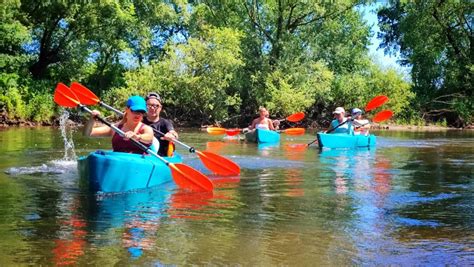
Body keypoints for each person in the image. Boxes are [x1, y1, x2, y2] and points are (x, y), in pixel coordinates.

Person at [84, 96, 154, 154]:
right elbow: (88, 133)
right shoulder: (116, 128)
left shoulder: (146, 129)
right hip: (118, 162)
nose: (138, 115)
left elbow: (149, 138)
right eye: (135, 111)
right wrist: (91, 119)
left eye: (141, 112)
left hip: (139, 164)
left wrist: (137, 137)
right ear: (127, 109)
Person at [142, 92, 179, 157]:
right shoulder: (140, 121)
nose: (152, 108)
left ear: (160, 108)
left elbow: (173, 133)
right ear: (145, 107)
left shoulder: (165, 123)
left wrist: (172, 136)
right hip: (143, 156)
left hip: (162, 157)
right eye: (149, 105)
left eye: (155, 106)